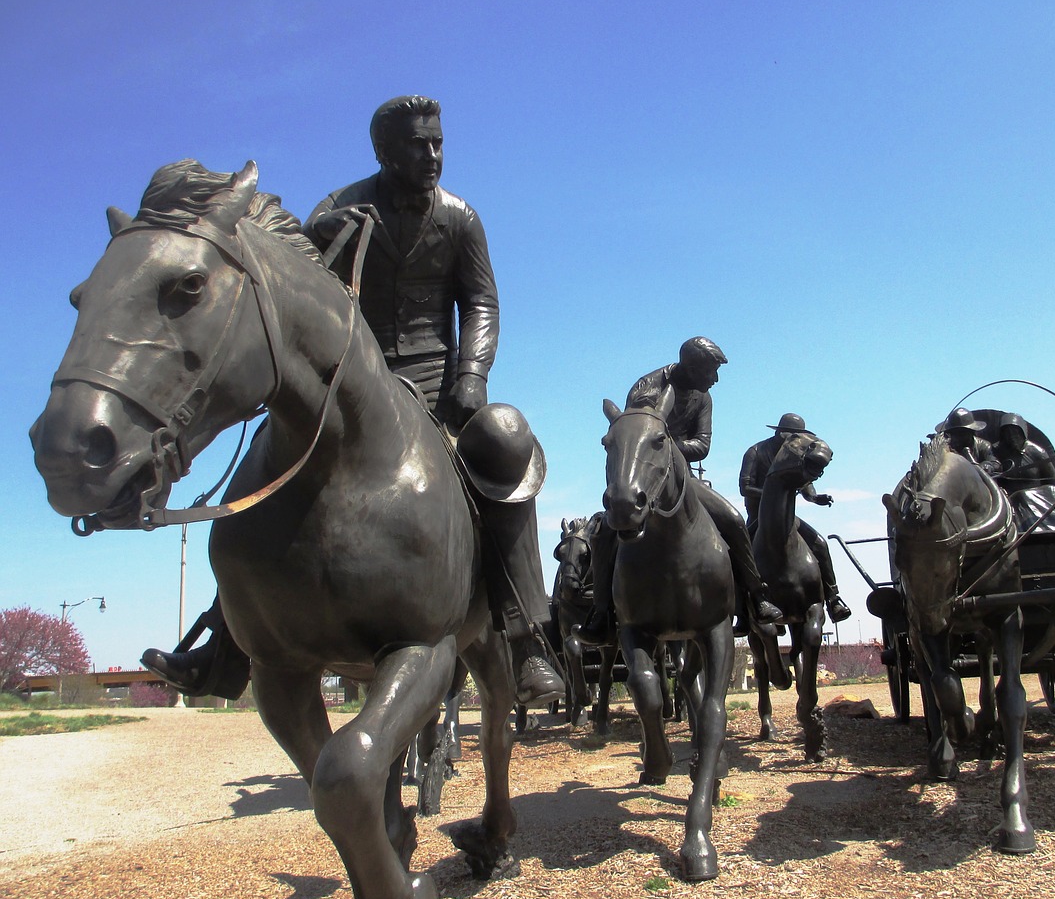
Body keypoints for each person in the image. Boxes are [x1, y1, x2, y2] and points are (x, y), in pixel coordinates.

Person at [142, 95, 564, 707]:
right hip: (354, 383)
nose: (432, 155)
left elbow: (481, 303)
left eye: (438, 142)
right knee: (265, 463)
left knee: (507, 439)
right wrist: (318, 239)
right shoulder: (338, 208)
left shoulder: (461, 218)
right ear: (383, 151)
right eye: (418, 144)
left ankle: (526, 637)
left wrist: (470, 375)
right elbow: (298, 288)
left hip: (436, 388)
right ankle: (229, 642)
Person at [575, 337, 784, 645]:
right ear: (691, 366)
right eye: (711, 371)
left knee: (734, 520)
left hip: (683, 480)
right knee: (604, 532)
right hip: (643, 479)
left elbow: (703, 445)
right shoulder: (647, 387)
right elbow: (635, 436)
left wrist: (668, 448)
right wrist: (656, 450)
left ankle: (755, 596)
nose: (715, 379)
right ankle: (601, 610)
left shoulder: (704, 397)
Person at [738, 414, 852, 624]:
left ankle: (833, 598)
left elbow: (805, 482)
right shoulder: (755, 452)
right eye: (795, 436)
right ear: (782, 434)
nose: (799, 441)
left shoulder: (795, 454)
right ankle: (742, 613)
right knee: (737, 555)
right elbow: (745, 487)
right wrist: (774, 494)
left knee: (820, 544)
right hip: (758, 516)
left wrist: (814, 497)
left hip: (787, 515)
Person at [984, 412, 1055, 530]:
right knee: (1020, 497)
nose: (1012, 437)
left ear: (1023, 433)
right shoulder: (996, 450)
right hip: (1011, 503)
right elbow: (992, 463)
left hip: (1041, 500)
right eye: (1008, 433)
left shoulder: (1037, 452)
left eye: (1015, 432)